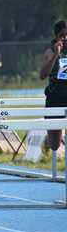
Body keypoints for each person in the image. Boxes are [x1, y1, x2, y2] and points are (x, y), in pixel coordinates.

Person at [40, 20, 67, 155]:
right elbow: (42, 75)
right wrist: (56, 54)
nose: (65, 38)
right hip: (54, 99)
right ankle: (48, 140)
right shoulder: (50, 51)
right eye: (62, 35)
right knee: (55, 145)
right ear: (56, 37)